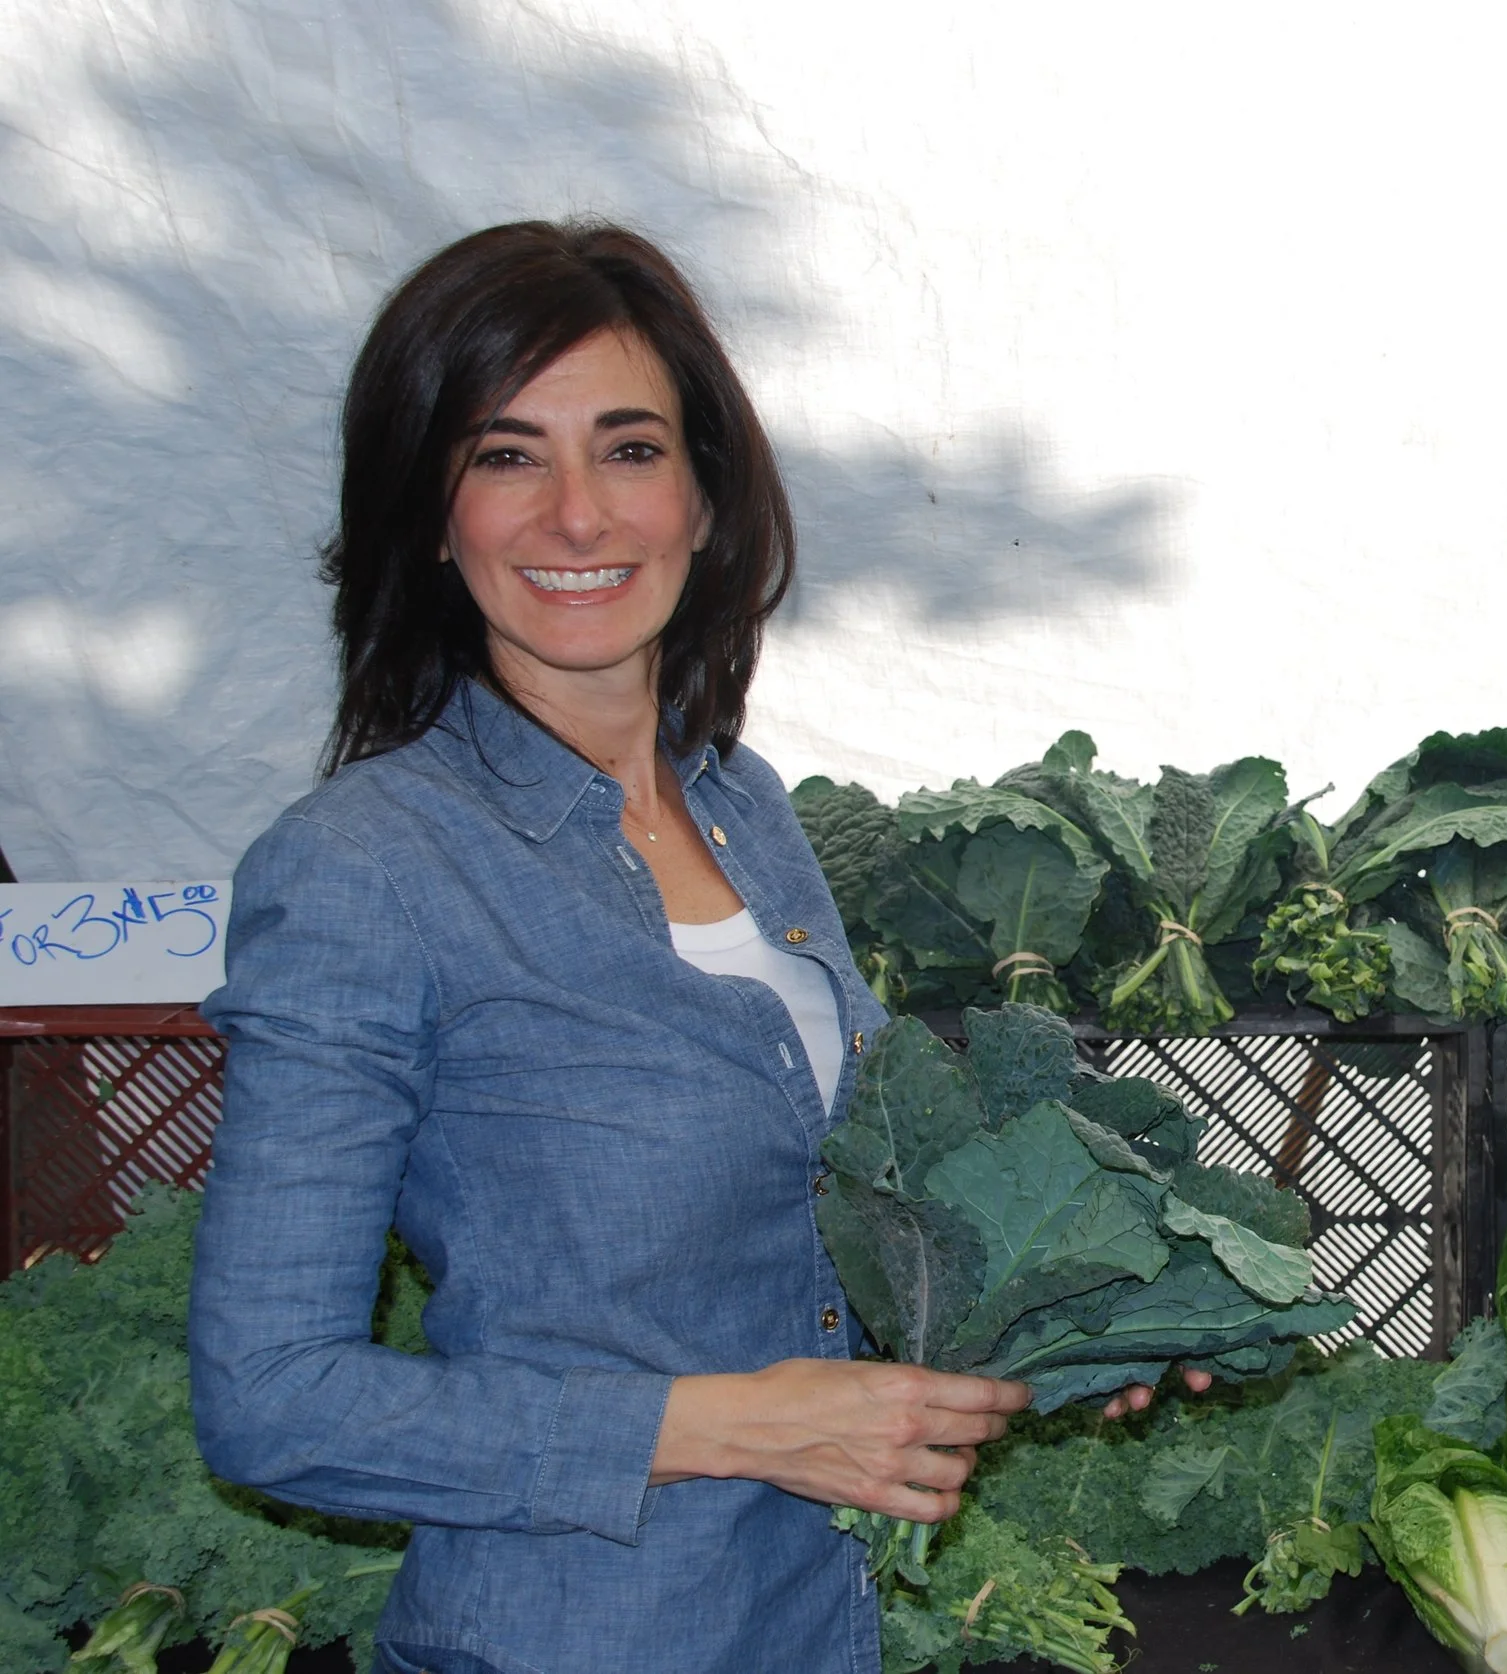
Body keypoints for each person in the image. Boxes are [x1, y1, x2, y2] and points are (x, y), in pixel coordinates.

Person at [188, 221, 1195, 1674]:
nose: (580, 516)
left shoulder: (745, 801)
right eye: (506, 454)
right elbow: (272, 1396)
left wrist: (1091, 1309)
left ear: (710, 496)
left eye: (632, 448)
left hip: (816, 1624)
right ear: (429, 510)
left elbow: (820, 1226)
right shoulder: (365, 867)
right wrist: (731, 1422)